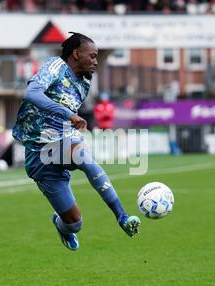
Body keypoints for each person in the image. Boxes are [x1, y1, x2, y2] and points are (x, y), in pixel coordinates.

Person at [12, 32, 141, 251]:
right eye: (92, 56)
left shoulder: (84, 83)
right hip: (38, 153)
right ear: (75, 54)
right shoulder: (55, 66)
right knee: (75, 224)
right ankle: (61, 226)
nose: (96, 61)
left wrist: (69, 123)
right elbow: (32, 93)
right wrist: (67, 114)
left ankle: (122, 216)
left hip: (63, 140)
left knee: (86, 160)